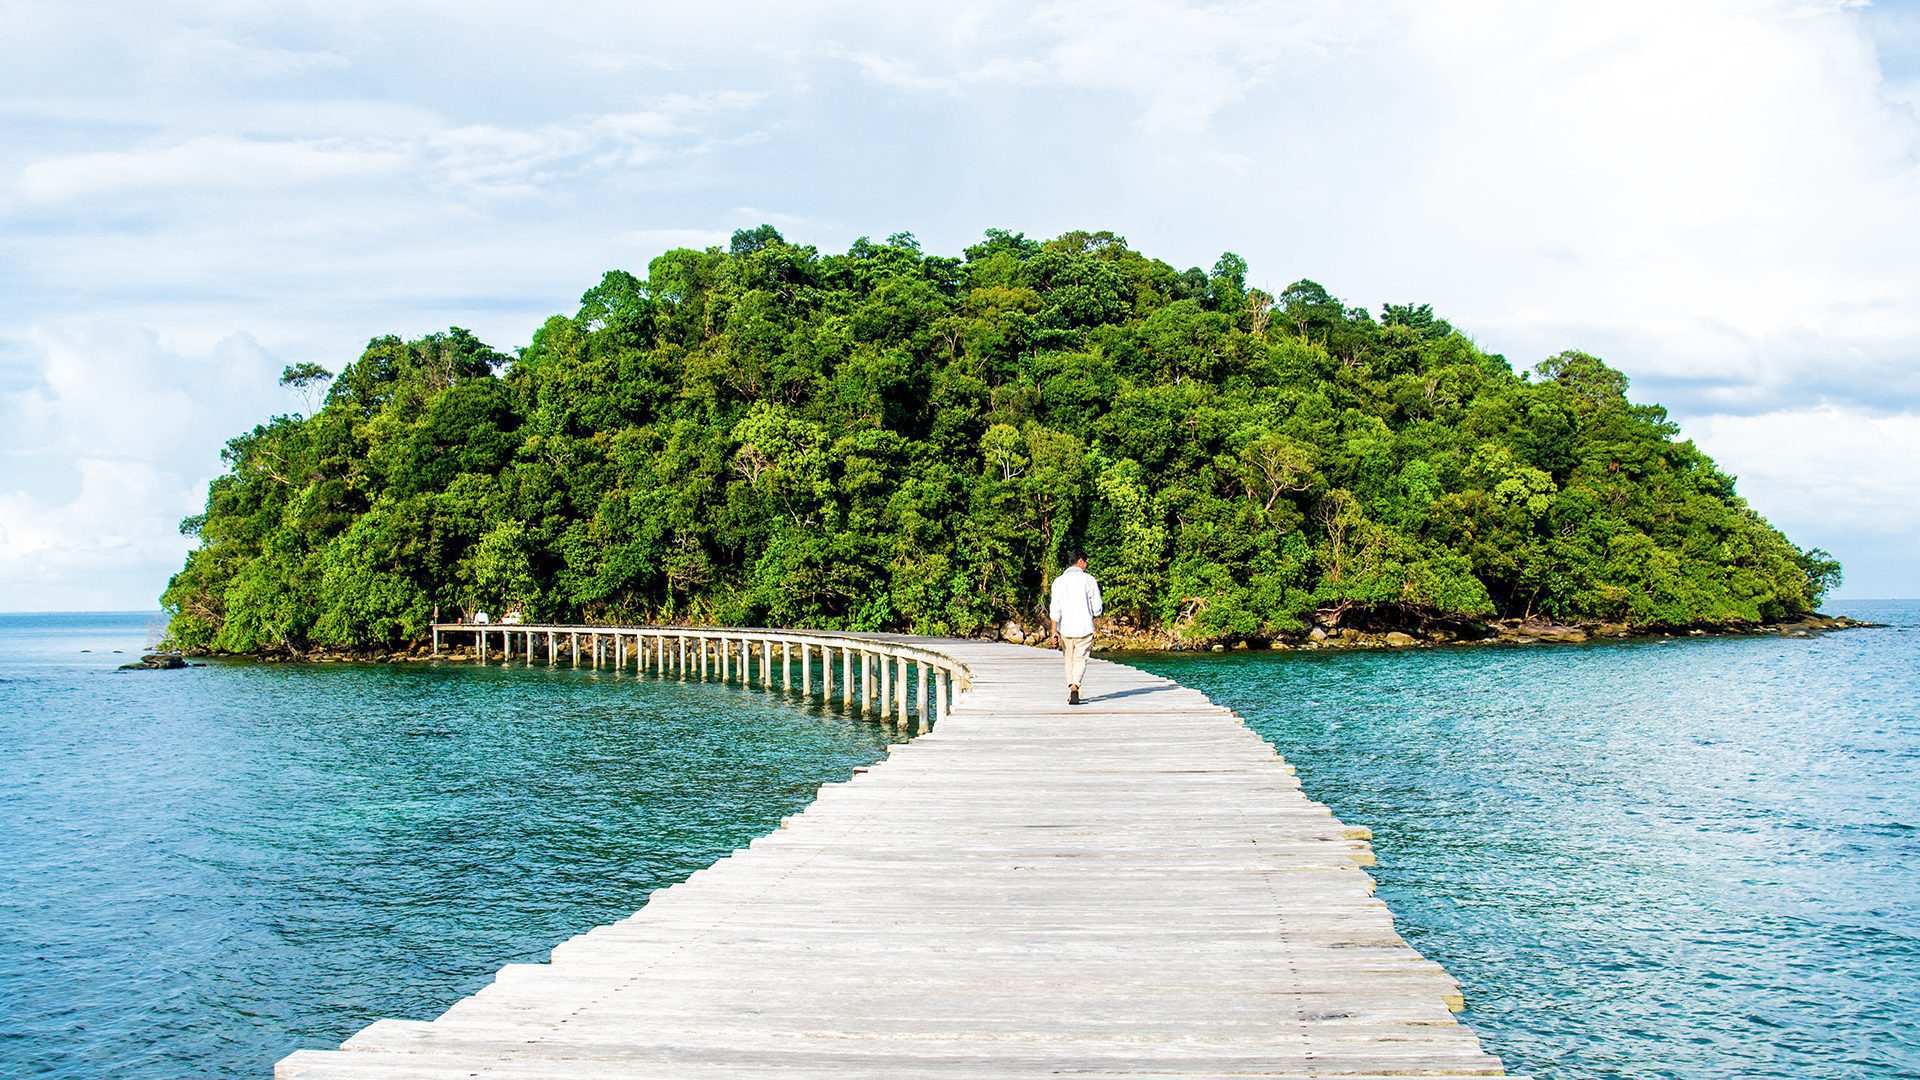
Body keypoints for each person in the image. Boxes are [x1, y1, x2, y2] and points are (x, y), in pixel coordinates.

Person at [1045, 549, 1102, 705]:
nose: (1087, 564)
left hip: (1066, 628)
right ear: (1081, 561)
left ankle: (1072, 687)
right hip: (1084, 626)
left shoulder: (1058, 581)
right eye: (1086, 561)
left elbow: (1055, 608)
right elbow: (1097, 608)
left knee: (1068, 659)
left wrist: (1054, 631)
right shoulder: (1089, 580)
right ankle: (1075, 685)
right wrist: (1093, 612)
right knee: (1081, 658)